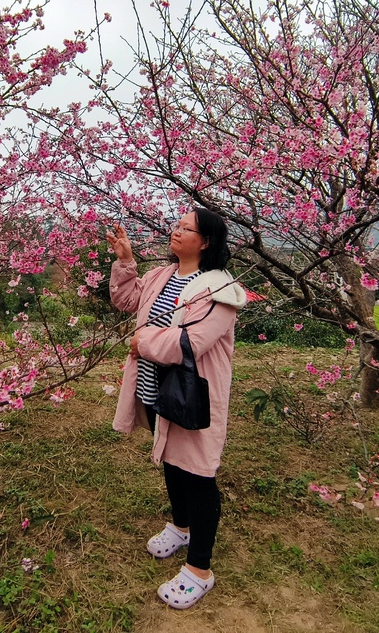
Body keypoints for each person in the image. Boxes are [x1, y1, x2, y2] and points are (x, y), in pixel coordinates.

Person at [106, 208, 246, 609]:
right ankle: (181, 526)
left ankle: (200, 569)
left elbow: (191, 344)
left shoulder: (220, 289)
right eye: (177, 224)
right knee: (170, 461)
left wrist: (141, 343)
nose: (176, 230)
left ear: (205, 241)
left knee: (199, 475)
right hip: (156, 389)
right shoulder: (161, 275)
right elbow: (126, 300)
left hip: (193, 395)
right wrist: (125, 261)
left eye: (187, 228)